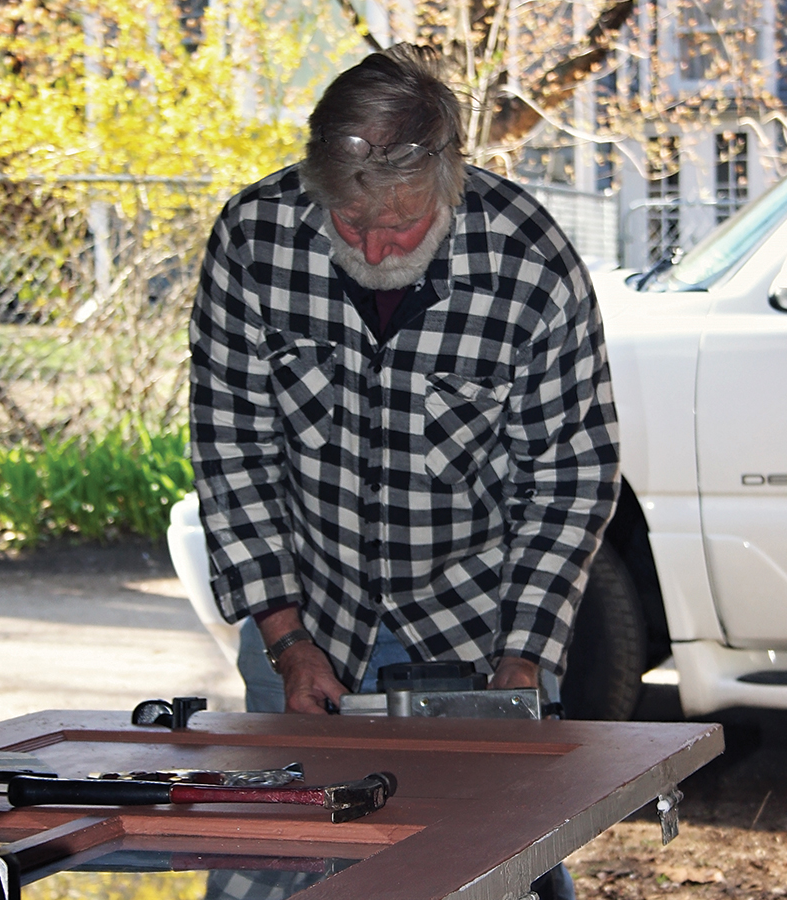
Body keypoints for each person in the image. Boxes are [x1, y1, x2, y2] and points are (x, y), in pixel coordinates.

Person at [191, 42, 620, 900]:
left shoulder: (529, 260)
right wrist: (287, 639)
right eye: (351, 222)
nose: (376, 246)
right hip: (306, 611)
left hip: (480, 626)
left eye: (402, 225)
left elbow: (570, 477)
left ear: (450, 179)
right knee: (271, 864)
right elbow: (232, 449)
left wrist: (523, 661)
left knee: (492, 864)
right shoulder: (254, 238)